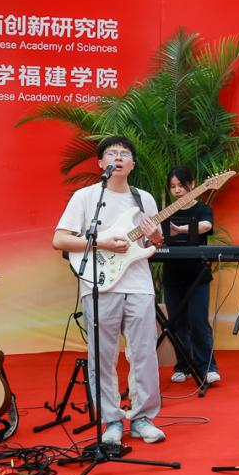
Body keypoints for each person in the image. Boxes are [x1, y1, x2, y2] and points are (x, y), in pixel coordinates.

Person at [53, 137, 167, 446]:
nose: (118, 157)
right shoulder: (86, 197)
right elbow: (60, 240)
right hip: (98, 282)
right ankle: (112, 420)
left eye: (124, 154)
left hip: (139, 283)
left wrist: (156, 236)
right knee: (102, 355)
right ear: (101, 163)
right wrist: (101, 242)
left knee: (144, 353)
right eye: (111, 153)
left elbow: (154, 244)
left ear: (132, 164)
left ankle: (142, 418)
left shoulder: (144, 199)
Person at [161, 166, 218, 386]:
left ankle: (208, 368)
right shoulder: (166, 212)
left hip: (197, 275)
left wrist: (180, 229)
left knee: (198, 322)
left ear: (192, 184)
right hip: (172, 274)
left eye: (181, 185)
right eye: (172, 186)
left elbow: (206, 226)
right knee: (177, 324)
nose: (177, 190)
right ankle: (182, 367)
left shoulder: (202, 209)